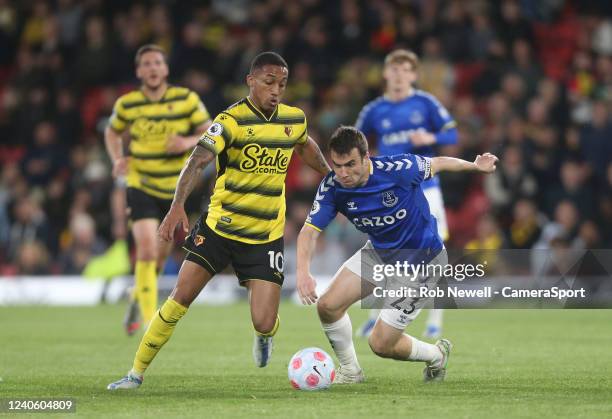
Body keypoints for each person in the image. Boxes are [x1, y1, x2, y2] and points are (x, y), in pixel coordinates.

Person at [107, 51, 331, 390]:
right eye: (269, 82)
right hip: (218, 229)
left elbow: (305, 145)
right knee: (179, 299)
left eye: (282, 84)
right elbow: (197, 161)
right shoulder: (230, 121)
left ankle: (264, 337)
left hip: (264, 236)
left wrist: (331, 177)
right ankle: (134, 373)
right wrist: (176, 206)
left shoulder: (294, 119)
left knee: (264, 321)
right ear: (251, 81)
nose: (276, 90)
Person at [297, 126, 497, 383]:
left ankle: (437, 355)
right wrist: (304, 273)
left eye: (350, 164)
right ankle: (350, 372)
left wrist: (474, 166)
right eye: (337, 165)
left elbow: (438, 163)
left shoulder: (398, 169)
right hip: (380, 253)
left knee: (380, 344)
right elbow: (308, 232)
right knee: (327, 306)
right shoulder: (333, 187)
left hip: (422, 261)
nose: (343, 173)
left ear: (366, 157)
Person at [104, 44, 212, 335]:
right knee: (147, 251)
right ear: (139, 71)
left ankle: (136, 298)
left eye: (157, 63)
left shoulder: (185, 99)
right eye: (146, 64)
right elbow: (112, 132)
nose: (152, 68)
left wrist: (186, 142)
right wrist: (117, 159)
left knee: (159, 258)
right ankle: (151, 321)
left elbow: (211, 128)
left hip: (174, 192)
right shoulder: (128, 104)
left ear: (165, 69)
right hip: (141, 183)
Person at [355, 49, 458, 339]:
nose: (399, 75)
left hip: (426, 186)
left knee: (435, 249)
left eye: (405, 70)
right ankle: (376, 315)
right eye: (394, 69)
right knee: (385, 248)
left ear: (414, 75)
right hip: (390, 190)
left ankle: (436, 319)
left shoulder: (426, 103)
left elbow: (452, 134)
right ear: (386, 74)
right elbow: (354, 140)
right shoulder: (374, 110)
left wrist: (431, 138)